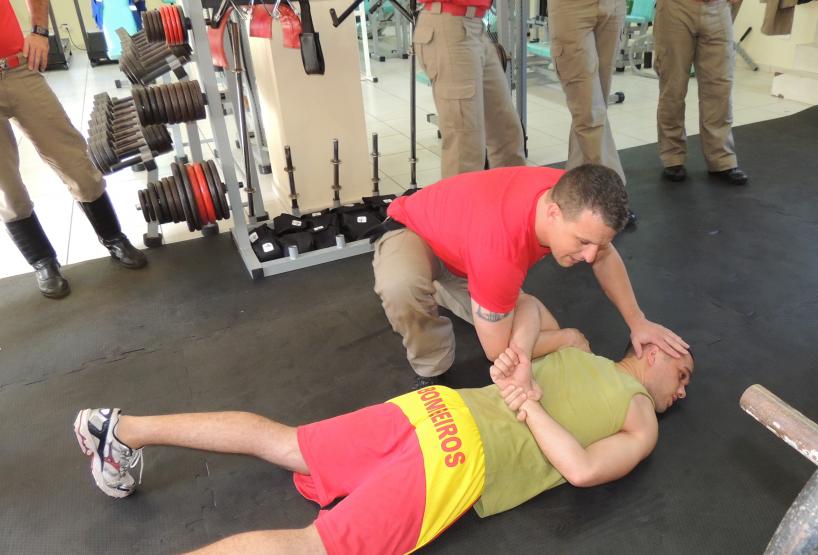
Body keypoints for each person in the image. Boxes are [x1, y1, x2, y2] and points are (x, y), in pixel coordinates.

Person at [73, 341, 695, 554]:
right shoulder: (640, 410)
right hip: (458, 457)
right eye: (683, 371)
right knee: (314, 547)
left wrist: (517, 368)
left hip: (433, 409)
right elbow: (580, 470)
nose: (683, 388)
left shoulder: (579, 347)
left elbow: (525, 325)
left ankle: (121, 428)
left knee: (285, 442)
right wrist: (522, 384)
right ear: (652, 351)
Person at [372, 163, 689, 389]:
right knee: (402, 288)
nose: (590, 256)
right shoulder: (501, 252)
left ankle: (455, 290)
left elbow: (605, 256)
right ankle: (431, 363)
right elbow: (497, 353)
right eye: (583, 242)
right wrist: (569, 338)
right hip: (416, 232)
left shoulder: (574, 195)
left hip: (471, 251)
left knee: (528, 332)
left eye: (598, 243)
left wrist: (638, 321)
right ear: (553, 214)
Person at [1, 0, 146, 299]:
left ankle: (113, 236)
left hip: (16, 69)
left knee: (74, 162)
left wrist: (39, 31)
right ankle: (42, 261)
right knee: (6, 187)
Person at [413, 0, 526, 178]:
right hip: (449, 22)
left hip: (476, 25)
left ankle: (511, 194)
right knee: (466, 148)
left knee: (506, 134)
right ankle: (462, 197)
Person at [653, 0, 749, 186]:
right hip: (676, 7)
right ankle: (673, 157)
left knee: (720, 90)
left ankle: (722, 159)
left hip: (718, 7)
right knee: (673, 88)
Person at [548, 0, 628, 182]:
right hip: (572, 7)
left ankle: (577, 185)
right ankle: (610, 189)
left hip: (613, 6)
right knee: (589, 111)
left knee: (596, 106)